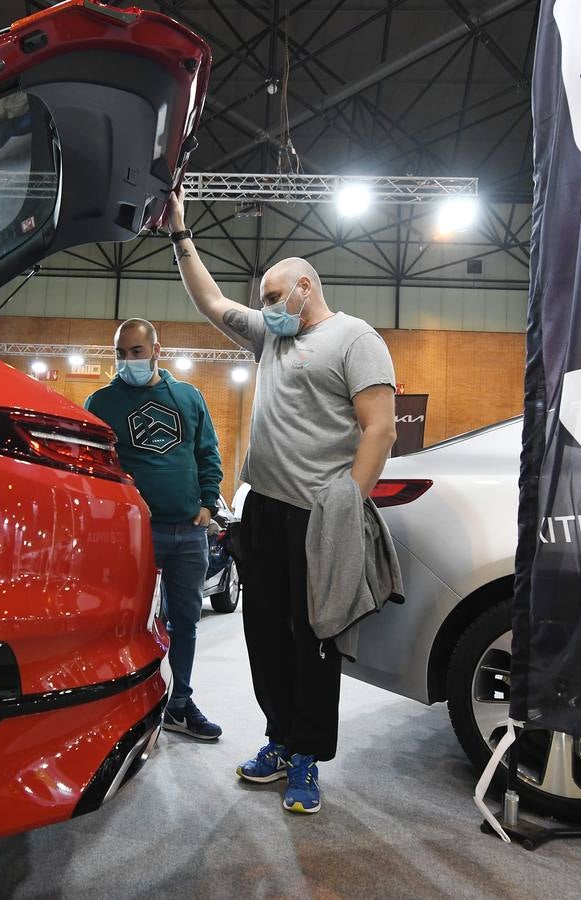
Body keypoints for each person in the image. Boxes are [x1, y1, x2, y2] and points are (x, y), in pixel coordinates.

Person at [166, 187, 397, 814]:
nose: (265, 308)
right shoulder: (272, 338)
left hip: (318, 518)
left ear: (306, 287)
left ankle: (306, 758)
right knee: (263, 635)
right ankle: (276, 739)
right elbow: (212, 300)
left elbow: (380, 426)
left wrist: (350, 499)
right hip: (263, 512)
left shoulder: (355, 339)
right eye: (263, 300)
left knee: (312, 641)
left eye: (273, 297)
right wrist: (182, 234)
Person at [85, 318, 224, 741]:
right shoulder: (101, 402)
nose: (129, 361)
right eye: (121, 353)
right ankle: (118, 709)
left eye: (136, 352)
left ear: (156, 349)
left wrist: (206, 502)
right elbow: (93, 465)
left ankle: (180, 702)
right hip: (131, 537)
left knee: (185, 622)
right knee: (119, 625)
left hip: (187, 531)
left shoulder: (188, 396)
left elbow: (207, 452)